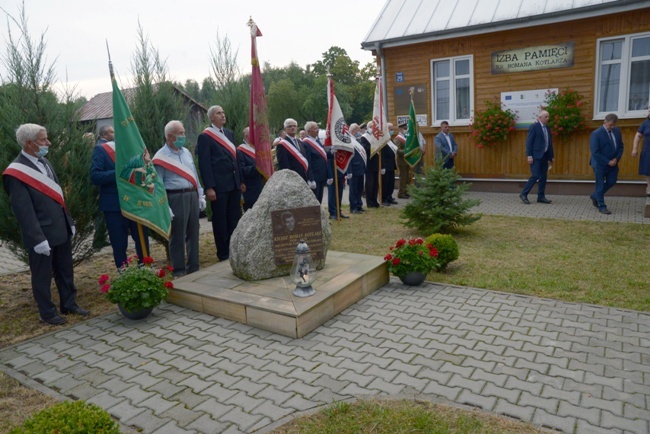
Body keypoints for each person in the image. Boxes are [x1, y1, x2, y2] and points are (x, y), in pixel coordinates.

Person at [3, 124, 90, 325]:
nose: (48, 143)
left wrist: (69, 221)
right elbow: (24, 212)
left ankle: (69, 304)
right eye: (43, 140)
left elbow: (58, 196)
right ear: (29, 143)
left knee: (65, 270)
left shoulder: (45, 161)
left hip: (60, 228)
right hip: (41, 234)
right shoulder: (16, 173)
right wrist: (37, 239)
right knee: (42, 276)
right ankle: (47, 313)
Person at [90, 126, 149, 269]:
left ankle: (145, 269)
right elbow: (95, 176)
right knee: (119, 242)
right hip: (114, 204)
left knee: (142, 239)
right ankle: (124, 274)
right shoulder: (101, 150)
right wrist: (119, 173)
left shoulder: (130, 148)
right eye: (112, 131)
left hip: (135, 201)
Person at [153, 120, 206, 276]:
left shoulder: (186, 152)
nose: (184, 136)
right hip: (175, 197)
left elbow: (194, 174)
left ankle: (194, 268)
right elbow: (158, 184)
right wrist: (164, 206)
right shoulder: (161, 157)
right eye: (181, 133)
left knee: (193, 232)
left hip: (191, 194)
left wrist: (200, 194)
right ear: (170, 136)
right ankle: (179, 271)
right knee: (177, 236)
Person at [196, 105, 244, 261]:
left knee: (234, 218)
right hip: (219, 186)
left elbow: (235, 160)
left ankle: (234, 249)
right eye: (218, 113)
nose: (223, 115)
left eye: (223, 112)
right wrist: (209, 187)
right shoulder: (206, 136)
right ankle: (223, 253)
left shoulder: (229, 134)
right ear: (211, 117)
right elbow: (205, 164)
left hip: (234, 184)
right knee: (220, 221)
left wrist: (240, 181)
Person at [590, 113, 624, 214]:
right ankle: (602, 206)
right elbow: (595, 152)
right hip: (600, 164)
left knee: (612, 181)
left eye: (614, 125)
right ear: (605, 122)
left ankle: (595, 195)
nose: (612, 127)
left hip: (613, 163)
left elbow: (621, 147)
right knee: (600, 185)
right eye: (610, 125)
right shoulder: (596, 134)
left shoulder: (617, 131)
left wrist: (616, 159)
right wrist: (607, 161)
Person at [520, 110, 554, 204]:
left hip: (544, 156)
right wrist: (529, 156)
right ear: (540, 118)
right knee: (535, 176)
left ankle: (541, 196)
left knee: (543, 177)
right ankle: (524, 194)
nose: (548, 118)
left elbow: (549, 143)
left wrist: (551, 156)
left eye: (548, 116)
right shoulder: (534, 127)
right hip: (535, 156)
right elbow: (529, 142)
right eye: (546, 117)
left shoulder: (547, 128)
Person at [237, 127, 264, 211]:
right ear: (246, 136)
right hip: (250, 189)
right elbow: (242, 170)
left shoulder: (257, 148)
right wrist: (257, 167)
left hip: (261, 185)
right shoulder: (240, 151)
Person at [277, 118, 311, 183]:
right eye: (289, 126)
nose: (292, 128)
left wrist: (309, 177)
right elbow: (284, 165)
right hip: (293, 180)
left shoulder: (300, 142)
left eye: (294, 126)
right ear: (285, 129)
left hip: (304, 177)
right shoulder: (282, 144)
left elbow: (305, 160)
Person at [302, 121, 328, 203]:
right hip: (315, 176)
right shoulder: (306, 143)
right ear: (309, 131)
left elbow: (323, 156)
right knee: (314, 200)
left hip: (321, 175)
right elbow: (308, 162)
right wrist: (311, 178)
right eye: (315, 128)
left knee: (319, 199)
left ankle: (319, 215)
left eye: (317, 128)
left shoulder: (317, 141)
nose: (318, 130)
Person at [326, 138, 349, 220]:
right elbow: (326, 158)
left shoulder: (339, 141)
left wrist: (345, 172)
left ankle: (338, 211)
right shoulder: (326, 142)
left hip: (340, 172)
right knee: (332, 194)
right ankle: (332, 213)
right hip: (332, 171)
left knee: (339, 193)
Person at [359, 121, 380, 208]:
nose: (373, 128)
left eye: (374, 126)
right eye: (371, 126)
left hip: (376, 163)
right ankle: (369, 202)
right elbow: (365, 149)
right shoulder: (364, 137)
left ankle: (375, 200)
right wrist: (374, 145)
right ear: (367, 128)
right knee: (369, 184)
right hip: (369, 163)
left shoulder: (375, 137)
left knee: (375, 184)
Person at [631, 108, 650, 196]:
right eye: (649, 111)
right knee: (647, 169)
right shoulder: (645, 123)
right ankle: (649, 187)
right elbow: (638, 136)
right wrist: (635, 148)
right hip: (647, 150)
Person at [348, 135, 367, 214]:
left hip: (360, 169)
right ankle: (353, 207)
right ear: (353, 131)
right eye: (357, 130)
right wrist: (349, 171)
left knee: (360, 188)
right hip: (354, 170)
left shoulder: (357, 141)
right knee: (353, 190)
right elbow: (348, 158)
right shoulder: (350, 142)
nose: (359, 133)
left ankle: (359, 205)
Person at [381, 123, 398, 206]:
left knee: (391, 182)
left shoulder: (390, 139)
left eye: (392, 129)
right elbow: (382, 154)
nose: (392, 131)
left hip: (391, 164)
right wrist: (382, 166)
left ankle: (389, 197)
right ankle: (384, 199)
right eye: (390, 129)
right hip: (386, 165)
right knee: (385, 183)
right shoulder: (383, 140)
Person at [395, 122, 410, 199]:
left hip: (407, 160)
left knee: (407, 177)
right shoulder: (398, 138)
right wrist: (406, 151)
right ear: (400, 129)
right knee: (403, 177)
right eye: (405, 129)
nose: (406, 130)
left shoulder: (406, 137)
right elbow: (397, 150)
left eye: (406, 128)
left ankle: (406, 191)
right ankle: (401, 193)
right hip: (401, 161)